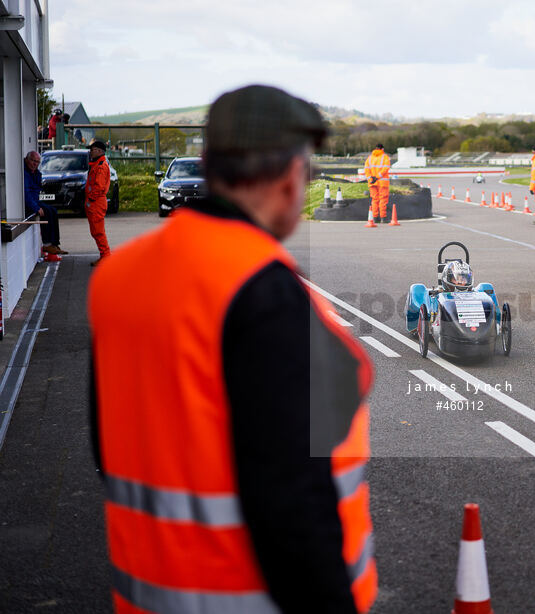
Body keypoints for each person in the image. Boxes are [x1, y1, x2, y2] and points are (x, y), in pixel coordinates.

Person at [87, 84, 377, 614]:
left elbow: (110, 452)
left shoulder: (118, 277)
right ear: (292, 178)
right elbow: (292, 500)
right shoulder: (263, 291)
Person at [23, 151, 67, 255]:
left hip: (35, 200)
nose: (35, 164)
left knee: (53, 210)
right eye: (33, 161)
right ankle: (47, 245)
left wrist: (37, 204)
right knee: (46, 212)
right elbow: (25, 193)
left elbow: (36, 191)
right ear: (26, 160)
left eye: (37, 162)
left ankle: (55, 243)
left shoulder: (37, 173)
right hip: (27, 204)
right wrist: (36, 207)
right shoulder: (23, 173)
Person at [85, 140, 111, 265]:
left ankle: (105, 256)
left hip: (96, 202)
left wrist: (90, 199)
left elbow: (99, 187)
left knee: (98, 231)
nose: (90, 151)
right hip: (95, 201)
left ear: (100, 151)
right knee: (96, 231)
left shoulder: (101, 166)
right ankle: (104, 255)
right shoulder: (97, 164)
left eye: (92, 149)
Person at [364, 143, 390, 222]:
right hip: (382, 182)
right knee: (383, 199)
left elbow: (366, 170)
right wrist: (377, 177)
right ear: (382, 149)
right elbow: (385, 169)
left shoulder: (369, 158)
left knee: (374, 200)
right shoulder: (385, 157)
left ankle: (375, 218)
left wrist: (371, 179)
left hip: (372, 183)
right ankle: (383, 218)